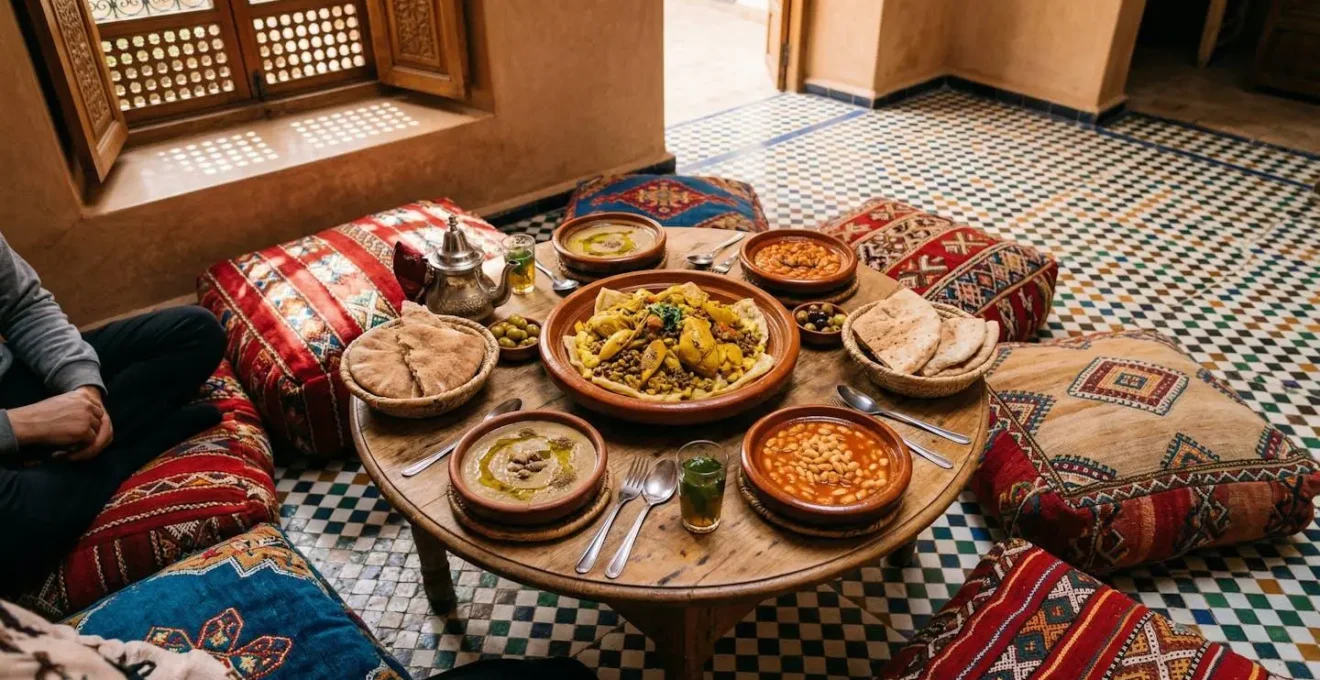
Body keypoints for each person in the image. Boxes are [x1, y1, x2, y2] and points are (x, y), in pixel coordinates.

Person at [0, 232, 226, 595]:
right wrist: (23, 425)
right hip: (12, 427)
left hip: (9, 382)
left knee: (196, 332)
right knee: (16, 525)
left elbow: (23, 308)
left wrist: (84, 390)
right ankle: (128, 452)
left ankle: (59, 465)